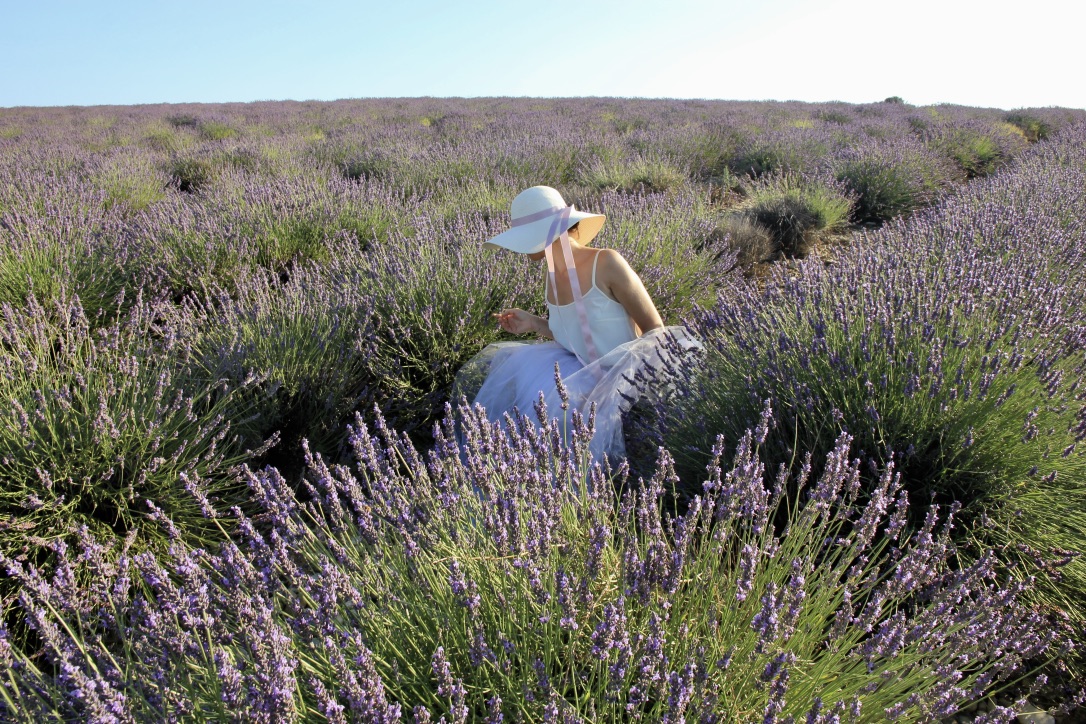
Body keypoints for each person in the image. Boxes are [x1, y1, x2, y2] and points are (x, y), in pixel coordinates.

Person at [454, 186, 701, 465]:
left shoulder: (606, 262)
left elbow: (654, 329)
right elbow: (574, 336)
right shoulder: (550, 275)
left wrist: (623, 387)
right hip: (582, 371)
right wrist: (533, 323)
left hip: (629, 374)